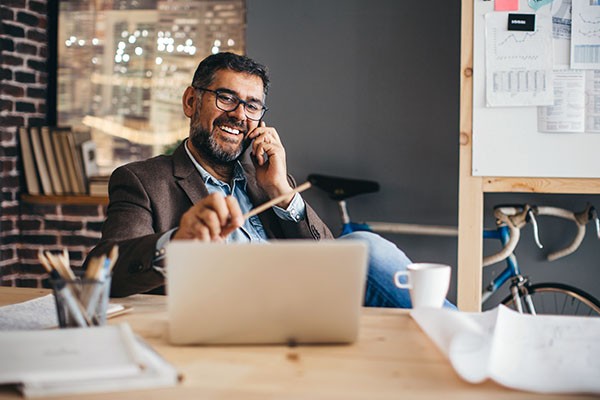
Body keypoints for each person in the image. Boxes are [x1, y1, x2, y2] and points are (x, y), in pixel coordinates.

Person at [85, 52, 448, 309]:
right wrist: (178, 241)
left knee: (362, 250)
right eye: (226, 98)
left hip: (302, 306)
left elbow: (329, 253)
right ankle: (464, 335)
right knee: (365, 247)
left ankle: (455, 338)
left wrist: (282, 191)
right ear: (191, 101)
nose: (239, 115)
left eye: (252, 105)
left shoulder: (266, 180)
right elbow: (104, 270)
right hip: (227, 312)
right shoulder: (143, 180)